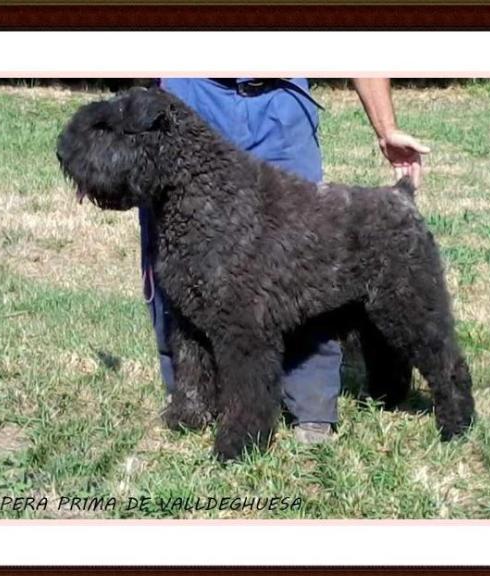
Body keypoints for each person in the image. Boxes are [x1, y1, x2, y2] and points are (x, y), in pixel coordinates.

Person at [139, 78, 429, 443]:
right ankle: (192, 400)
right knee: (180, 263)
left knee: (307, 261)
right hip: (192, 90)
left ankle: (311, 406)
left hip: (279, 97)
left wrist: (386, 128)